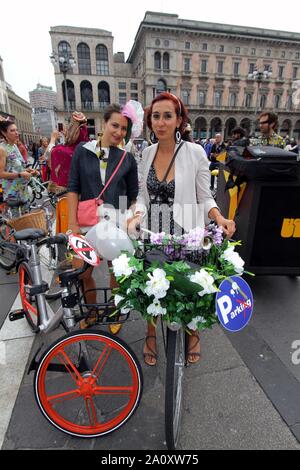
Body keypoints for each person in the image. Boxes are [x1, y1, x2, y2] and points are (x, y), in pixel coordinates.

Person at [127, 92, 236, 366]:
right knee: (153, 288)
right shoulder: (147, 153)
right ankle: (151, 333)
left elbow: (205, 196)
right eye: (156, 116)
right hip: (154, 233)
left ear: (178, 120)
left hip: (187, 233)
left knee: (189, 289)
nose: (161, 122)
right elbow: (142, 197)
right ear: (150, 121)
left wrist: (218, 218)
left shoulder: (195, 152)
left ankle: (193, 331)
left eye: (167, 116)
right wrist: (136, 216)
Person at [67, 102, 140, 331]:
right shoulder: (83, 151)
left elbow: (133, 195)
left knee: (115, 270)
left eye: (123, 129)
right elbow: (73, 187)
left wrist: (131, 218)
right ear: (104, 123)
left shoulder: (126, 158)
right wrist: (72, 224)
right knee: (83, 271)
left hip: (114, 222)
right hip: (86, 223)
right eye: (115, 126)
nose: (119, 132)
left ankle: (114, 309)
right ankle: (91, 310)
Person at [0, 119, 37, 217]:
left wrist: (29, 171)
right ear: (4, 133)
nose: (16, 133)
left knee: (27, 219)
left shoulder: (14, 146)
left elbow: (18, 167)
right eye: (12, 131)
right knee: (16, 224)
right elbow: (1, 173)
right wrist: (20, 174)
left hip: (22, 190)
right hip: (11, 193)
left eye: (16, 130)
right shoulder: (2, 149)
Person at [49, 112, 89, 193]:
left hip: (65, 194)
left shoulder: (61, 151)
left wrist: (53, 138)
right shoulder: (88, 149)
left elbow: (47, 155)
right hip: (85, 194)